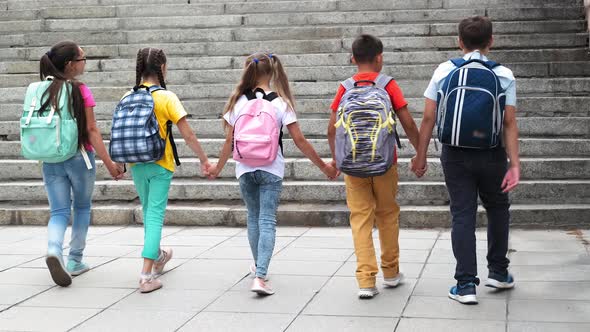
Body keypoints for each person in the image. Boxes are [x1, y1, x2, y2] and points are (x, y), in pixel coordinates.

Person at [208, 52, 338, 296]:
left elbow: (229, 141)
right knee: (267, 220)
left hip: (244, 168)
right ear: (273, 72)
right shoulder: (280, 103)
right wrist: (325, 167)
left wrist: (216, 167)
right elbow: (299, 140)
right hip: (271, 168)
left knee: (253, 217)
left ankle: (259, 267)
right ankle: (260, 276)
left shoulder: (238, 102)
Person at [412, 16, 520, 304]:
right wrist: (515, 164)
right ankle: (498, 271)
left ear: (459, 41)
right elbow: (509, 122)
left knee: (462, 214)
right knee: (498, 208)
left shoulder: (444, 70)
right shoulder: (504, 74)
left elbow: (428, 117)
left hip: (455, 153)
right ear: (491, 41)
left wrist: (420, 156)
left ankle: (465, 286)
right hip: (492, 152)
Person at [327, 34, 421, 299]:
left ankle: (366, 280)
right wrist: (419, 154)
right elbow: (408, 123)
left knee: (360, 218)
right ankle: (391, 273)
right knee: (388, 214)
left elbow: (331, 128)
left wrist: (337, 159)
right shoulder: (388, 85)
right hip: (384, 164)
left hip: (353, 166)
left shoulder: (344, 87)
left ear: (353, 59)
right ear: (379, 57)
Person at [33, 41, 124, 286]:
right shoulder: (80, 89)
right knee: (81, 208)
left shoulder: (41, 89)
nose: (85, 62)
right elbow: (92, 130)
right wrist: (110, 163)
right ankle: (74, 260)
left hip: (51, 158)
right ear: (70, 65)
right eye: (83, 58)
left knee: (59, 211)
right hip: (79, 158)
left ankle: (54, 250)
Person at [125, 47, 211, 293]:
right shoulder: (166, 97)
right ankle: (145, 275)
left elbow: (121, 132)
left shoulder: (127, 96)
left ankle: (160, 256)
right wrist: (204, 159)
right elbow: (188, 133)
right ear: (162, 68)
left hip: (136, 164)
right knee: (154, 216)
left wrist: (118, 164)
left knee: (148, 213)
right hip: (161, 164)